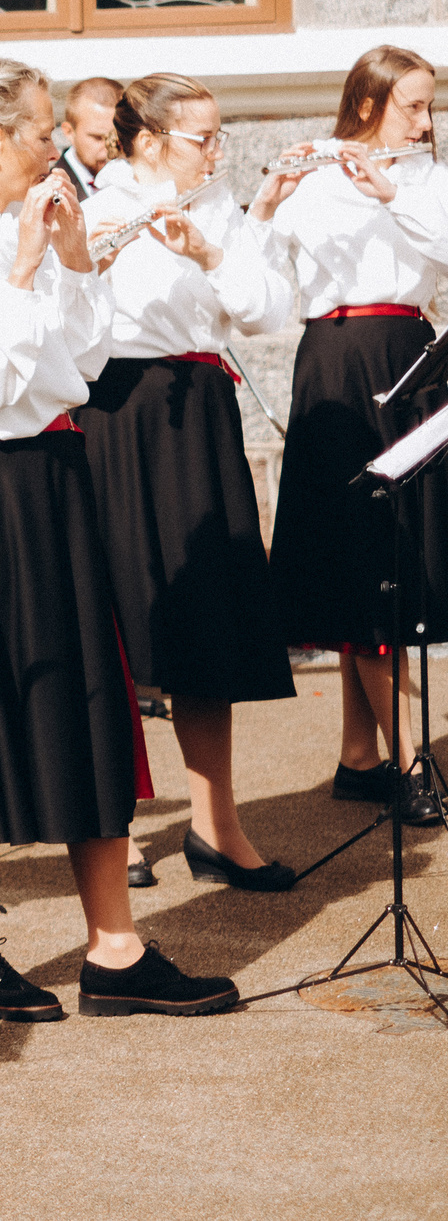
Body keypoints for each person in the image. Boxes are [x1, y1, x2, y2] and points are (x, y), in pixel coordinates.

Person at [0, 56, 237, 1021]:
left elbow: (80, 365)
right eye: (47, 131)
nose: (59, 148)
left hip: (57, 476)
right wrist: (24, 267)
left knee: (92, 694)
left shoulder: (28, 226)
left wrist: (77, 260)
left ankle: (114, 948)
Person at [77, 73, 300, 891]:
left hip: (201, 410)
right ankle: (116, 826)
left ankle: (217, 826)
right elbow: (79, 323)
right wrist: (113, 248)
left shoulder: (218, 211)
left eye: (217, 135)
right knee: (121, 621)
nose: (215, 150)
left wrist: (209, 249)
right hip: (122, 410)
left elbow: (269, 311)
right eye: (201, 136)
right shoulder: (99, 207)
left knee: (209, 619)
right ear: (147, 141)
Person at [263, 45, 448, 828]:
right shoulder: (316, 175)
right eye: (413, 105)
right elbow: (264, 288)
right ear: (369, 105)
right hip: (336, 361)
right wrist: (269, 200)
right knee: (357, 553)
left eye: (431, 104)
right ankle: (400, 756)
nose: (428, 120)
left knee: (393, 559)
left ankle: (358, 756)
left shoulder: (429, 177)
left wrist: (396, 192)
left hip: (407, 355)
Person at [56, 77, 122, 199]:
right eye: (98, 138)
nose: (110, 149)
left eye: (119, 138)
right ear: (69, 132)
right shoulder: (49, 188)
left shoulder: (141, 178)